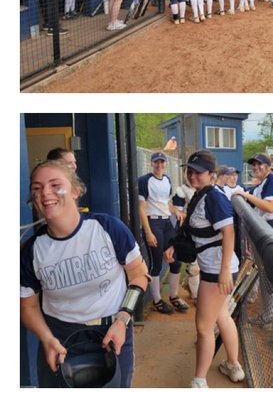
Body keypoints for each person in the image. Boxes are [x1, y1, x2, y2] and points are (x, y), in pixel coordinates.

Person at [21, 159, 149, 388]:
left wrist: (123, 319)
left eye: (54, 185)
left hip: (112, 331)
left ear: (75, 191)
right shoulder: (32, 251)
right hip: (60, 339)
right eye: (37, 188)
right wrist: (47, 339)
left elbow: (139, 275)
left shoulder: (108, 228)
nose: (45, 193)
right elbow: (28, 306)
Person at [165, 151, 244, 387]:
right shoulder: (202, 194)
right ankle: (233, 365)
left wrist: (222, 272)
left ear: (211, 174)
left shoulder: (214, 198)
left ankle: (199, 381)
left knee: (203, 327)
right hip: (217, 266)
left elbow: (228, 233)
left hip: (217, 269)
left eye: (198, 172)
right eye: (189, 170)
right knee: (221, 315)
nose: (192, 175)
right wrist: (174, 247)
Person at [138, 151, 181, 316]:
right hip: (153, 222)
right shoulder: (144, 180)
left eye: (162, 162)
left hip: (166, 222)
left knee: (175, 260)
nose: (159, 165)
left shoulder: (167, 180)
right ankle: (156, 300)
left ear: (165, 164)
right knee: (156, 263)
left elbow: (166, 203)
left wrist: (176, 211)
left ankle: (174, 295)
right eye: (156, 162)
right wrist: (148, 232)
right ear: (152, 163)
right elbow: (141, 207)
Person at [232, 154, 273, 240]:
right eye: (254, 165)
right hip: (266, 226)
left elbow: (270, 207)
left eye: (259, 164)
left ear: (268, 167)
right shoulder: (260, 185)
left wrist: (246, 195)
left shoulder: (272, 179)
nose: (255, 167)